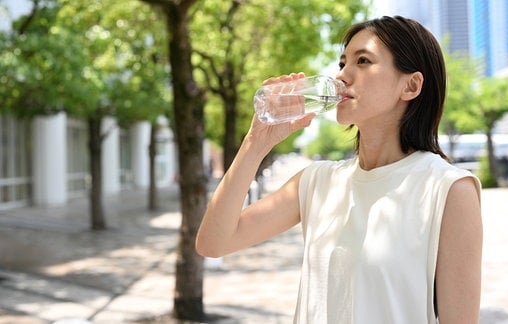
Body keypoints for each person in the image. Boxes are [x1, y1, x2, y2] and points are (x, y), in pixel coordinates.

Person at [197, 15, 482, 324]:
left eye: (363, 61)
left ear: (411, 85)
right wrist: (255, 142)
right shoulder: (317, 181)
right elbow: (214, 243)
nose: (342, 76)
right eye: (342, 62)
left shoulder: (447, 189)